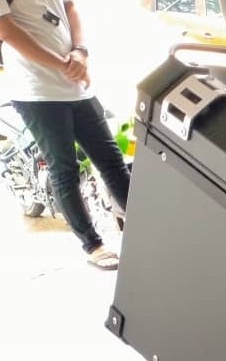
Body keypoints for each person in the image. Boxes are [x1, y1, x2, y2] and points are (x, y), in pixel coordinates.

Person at [0, 0, 131, 270]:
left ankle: (144, 224)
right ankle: (93, 245)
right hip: (36, 91)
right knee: (64, 169)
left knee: (112, 160)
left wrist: (80, 52)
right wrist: (63, 64)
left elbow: (70, 7)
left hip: (76, 86)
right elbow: (7, 30)